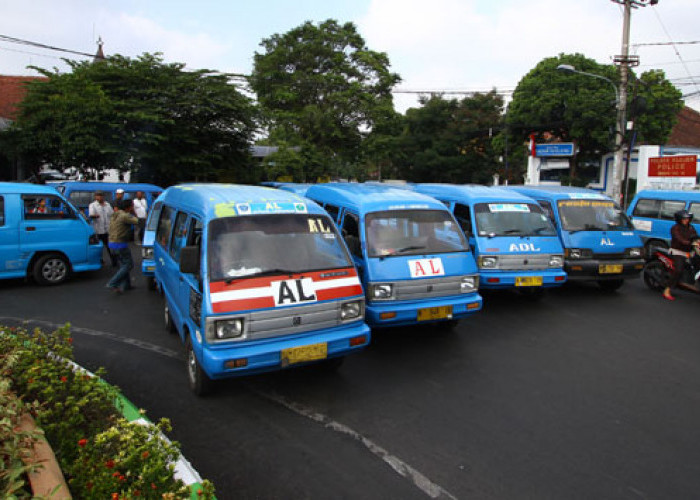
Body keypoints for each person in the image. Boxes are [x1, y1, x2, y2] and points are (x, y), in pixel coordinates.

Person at [662, 210, 699, 301]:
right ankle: (667, 290)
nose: (686, 220)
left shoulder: (690, 227)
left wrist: (697, 241)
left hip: (690, 250)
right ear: (679, 219)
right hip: (678, 251)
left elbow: (695, 236)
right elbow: (679, 239)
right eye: (684, 218)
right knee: (678, 270)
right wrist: (689, 243)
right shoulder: (675, 228)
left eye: (688, 218)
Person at [106, 199, 139, 293]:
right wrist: (134, 213)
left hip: (111, 243)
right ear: (128, 207)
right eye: (132, 206)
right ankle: (113, 282)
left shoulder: (115, 214)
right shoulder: (125, 216)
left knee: (123, 265)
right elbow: (139, 222)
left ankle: (126, 285)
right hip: (120, 244)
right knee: (128, 265)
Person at [88, 191, 117, 267]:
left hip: (107, 230)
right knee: (98, 248)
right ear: (95, 197)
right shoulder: (93, 205)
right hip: (98, 230)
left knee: (110, 247)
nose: (100, 197)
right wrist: (95, 216)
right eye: (98, 196)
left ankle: (114, 262)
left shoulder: (107, 205)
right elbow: (91, 215)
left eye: (101, 196)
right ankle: (99, 261)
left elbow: (112, 215)